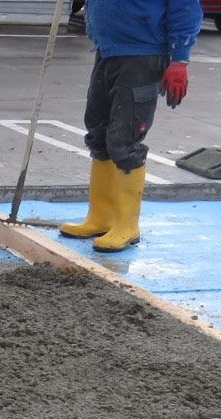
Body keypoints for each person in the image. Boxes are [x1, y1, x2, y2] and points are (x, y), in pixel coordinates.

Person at [60, 0, 202, 252]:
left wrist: (180, 59)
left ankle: (127, 225)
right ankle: (101, 216)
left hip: (142, 55)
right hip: (107, 51)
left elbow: (186, 8)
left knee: (125, 139)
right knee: (99, 134)